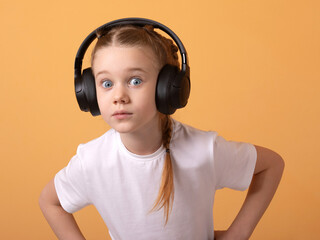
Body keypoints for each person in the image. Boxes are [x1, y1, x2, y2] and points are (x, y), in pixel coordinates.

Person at [39, 19, 284, 240]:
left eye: (135, 81)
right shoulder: (92, 161)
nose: (119, 96)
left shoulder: (203, 150)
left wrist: (238, 234)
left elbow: (271, 165)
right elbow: (50, 202)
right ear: (89, 93)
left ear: (167, 88)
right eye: (106, 83)